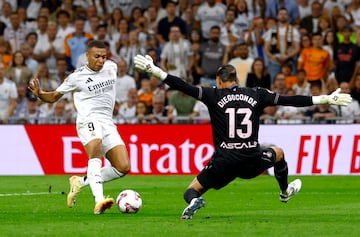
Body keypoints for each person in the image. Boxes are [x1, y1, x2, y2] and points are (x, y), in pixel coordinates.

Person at [133, 54, 352, 220]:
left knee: (191, 190)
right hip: (251, 160)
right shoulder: (257, 94)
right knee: (278, 153)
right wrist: (325, 99)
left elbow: (184, 86)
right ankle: (284, 192)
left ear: (219, 81)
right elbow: (290, 99)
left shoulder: (213, 94)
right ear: (235, 78)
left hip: (224, 161)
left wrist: (155, 71)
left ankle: (195, 202)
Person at [28, 40, 130, 214]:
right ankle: (99, 201)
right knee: (95, 150)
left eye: (103, 56)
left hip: (107, 121)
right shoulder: (77, 77)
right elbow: (53, 97)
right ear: (87, 56)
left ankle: (80, 182)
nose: (101, 60)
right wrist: (40, 94)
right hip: (88, 119)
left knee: (123, 167)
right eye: (97, 56)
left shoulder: (111, 67)